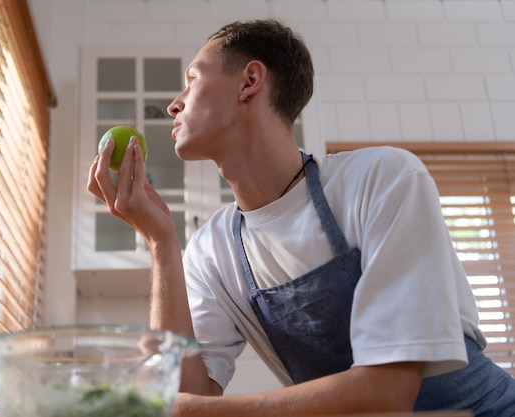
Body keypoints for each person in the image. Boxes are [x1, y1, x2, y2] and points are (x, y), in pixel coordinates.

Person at [87, 18, 515, 417]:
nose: (173, 106)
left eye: (192, 80)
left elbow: (389, 391)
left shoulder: (381, 178)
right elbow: (182, 389)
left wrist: (201, 413)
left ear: (250, 82)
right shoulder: (212, 247)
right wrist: (160, 242)